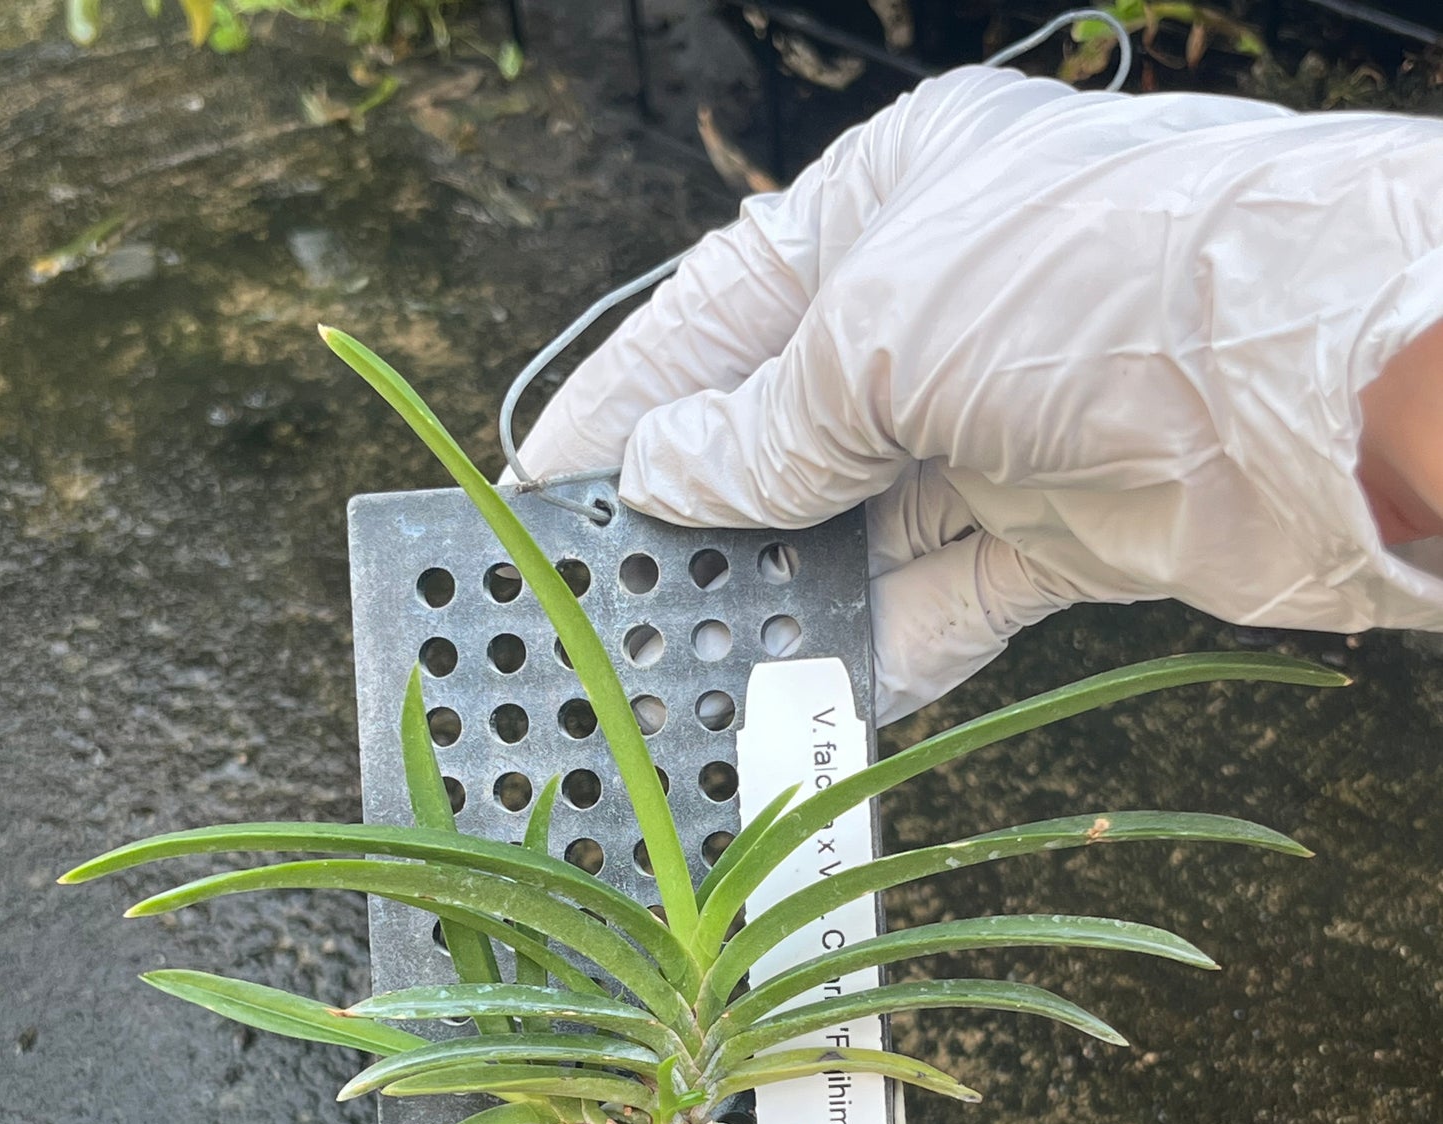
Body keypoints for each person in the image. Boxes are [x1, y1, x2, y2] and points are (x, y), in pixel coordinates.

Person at [512, 63, 1443, 726]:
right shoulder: (989, 305)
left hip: (1055, 365)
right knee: (546, 533)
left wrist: (1058, 564)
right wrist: (706, 464)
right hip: (936, 206)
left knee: (1012, 554)